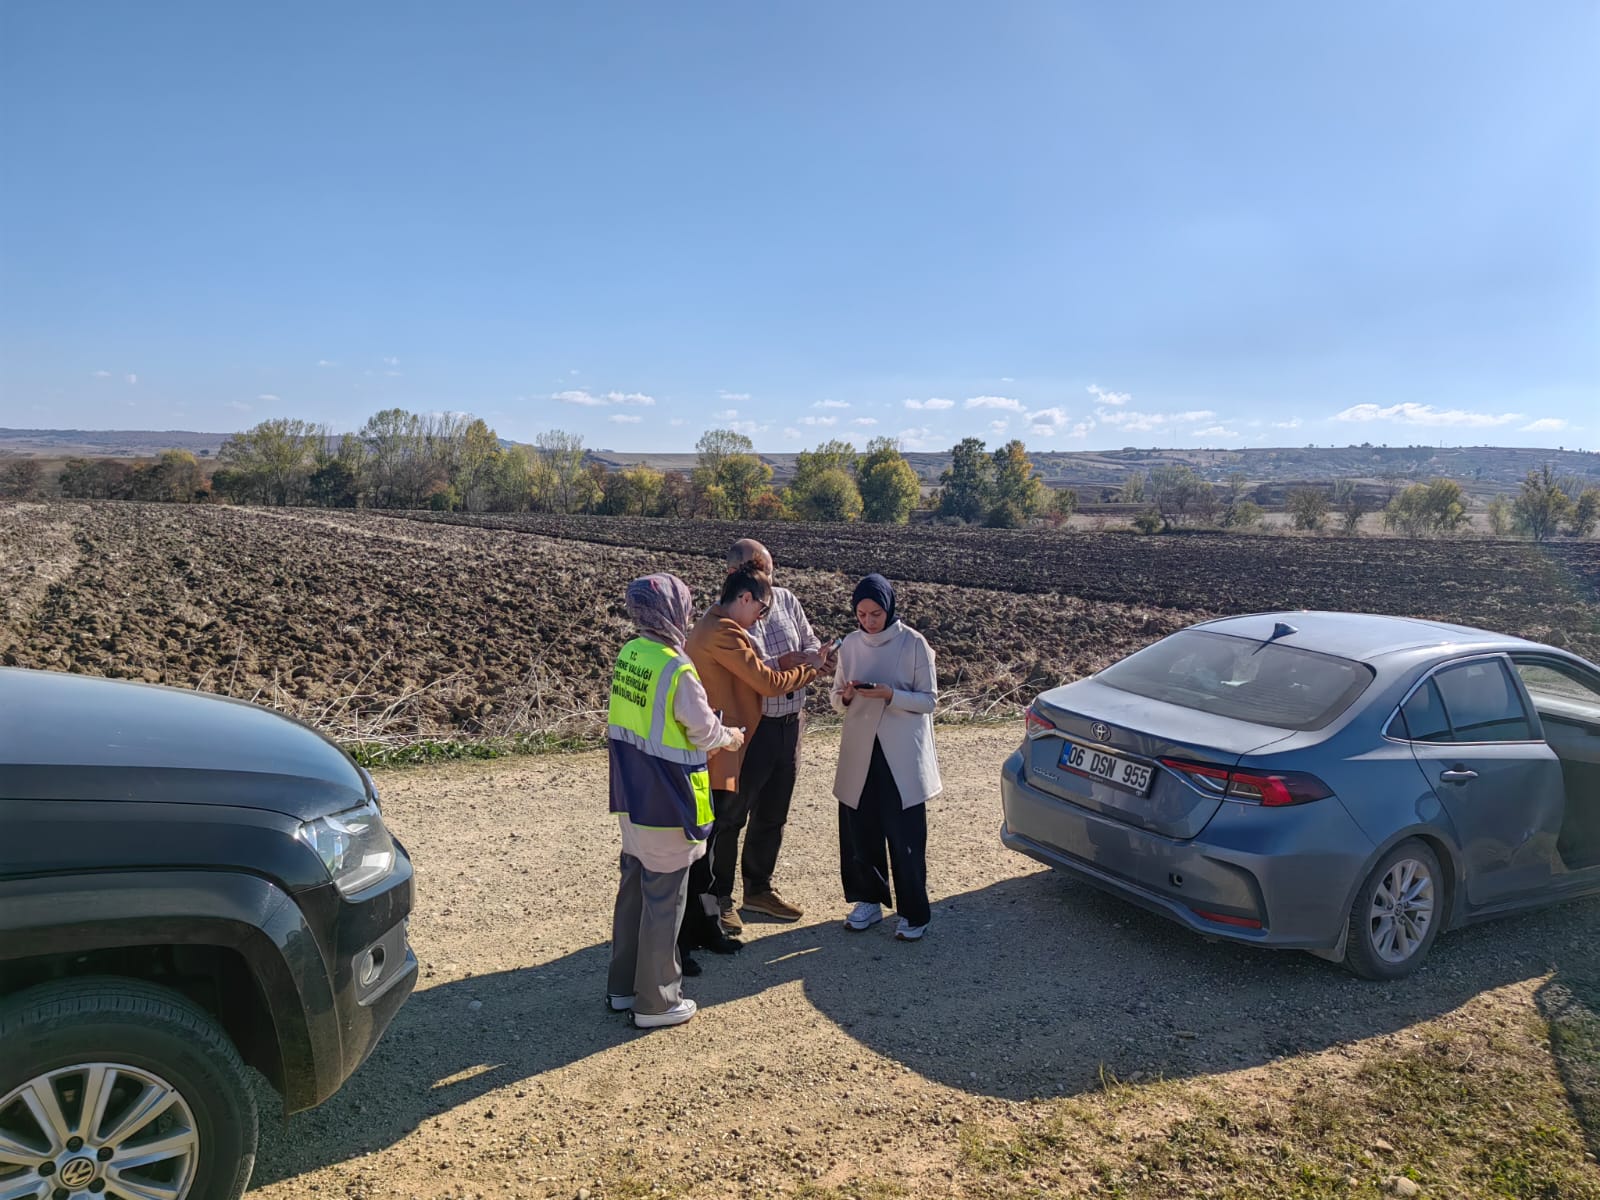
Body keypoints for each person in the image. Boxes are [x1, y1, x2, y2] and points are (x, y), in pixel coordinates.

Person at [606, 574, 743, 1029]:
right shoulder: (676, 667)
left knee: (633, 895)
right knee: (664, 903)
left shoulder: (631, 653)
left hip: (632, 794)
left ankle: (623, 989)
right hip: (668, 798)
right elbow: (703, 732)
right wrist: (732, 736)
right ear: (673, 611)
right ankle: (657, 1002)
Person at [684, 562, 819, 949]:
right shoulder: (725, 631)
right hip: (726, 741)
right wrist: (812, 670)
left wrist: (788, 663)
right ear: (745, 598)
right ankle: (707, 920)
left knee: (748, 820)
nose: (761, 617)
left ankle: (716, 915)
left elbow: (756, 671)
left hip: (739, 734)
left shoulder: (716, 623)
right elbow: (766, 683)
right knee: (720, 830)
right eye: (760, 609)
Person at [715, 538, 836, 933]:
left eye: (770, 569)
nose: (770, 577)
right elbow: (758, 674)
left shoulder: (785, 600)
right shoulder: (729, 616)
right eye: (762, 570)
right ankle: (720, 898)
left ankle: (759, 889)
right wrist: (799, 666)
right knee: (732, 816)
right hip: (754, 729)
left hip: (791, 724)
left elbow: (810, 642)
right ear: (737, 574)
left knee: (773, 814)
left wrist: (811, 657)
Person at [830, 573, 941, 941]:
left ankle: (914, 911)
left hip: (900, 752)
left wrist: (890, 694)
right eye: (861, 614)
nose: (868, 621)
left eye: (875, 613)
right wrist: (846, 695)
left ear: (890, 607)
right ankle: (867, 900)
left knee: (904, 833)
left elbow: (929, 700)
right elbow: (834, 698)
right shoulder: (849, 644)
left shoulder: (914, 644)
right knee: (859, 829)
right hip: (860, 748)